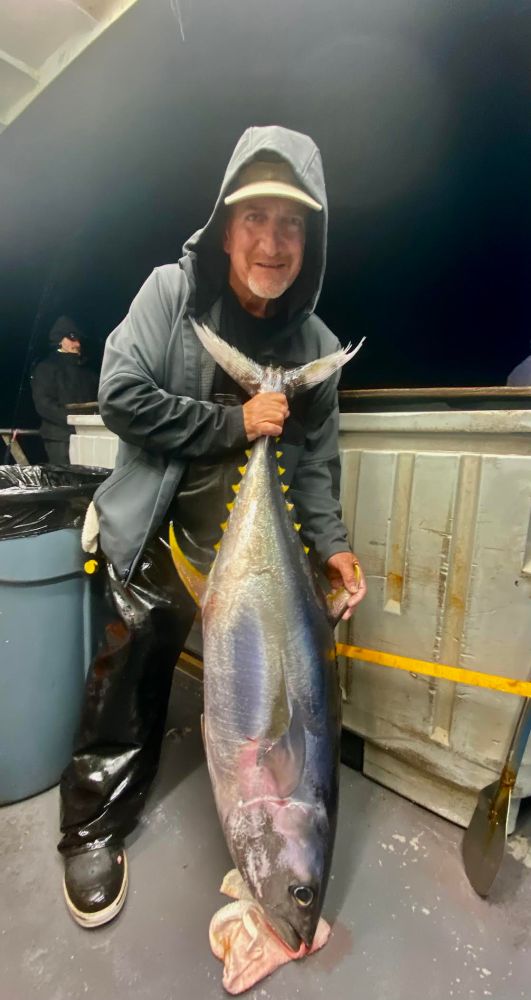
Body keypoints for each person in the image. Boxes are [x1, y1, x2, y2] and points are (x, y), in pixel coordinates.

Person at [58, 125, 368, 929]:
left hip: (258, 562)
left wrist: (332, 547)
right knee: (123, 683)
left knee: (273, 711)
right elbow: (120, 394)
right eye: (255, 219)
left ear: (311, 239)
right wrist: (236, 425)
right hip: (164, 536)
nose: (271, 241)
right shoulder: (171, 295)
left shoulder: (317, 347)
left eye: (291, 224)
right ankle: (91, 828)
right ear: (226, 225)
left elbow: (313, 468)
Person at [31, 316, 99, 464]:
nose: (78, 344)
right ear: (60, 340)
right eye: (72, 338)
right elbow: (44, 405)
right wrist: (74, 421)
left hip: (89, 436)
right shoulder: (46, 368)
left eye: (79, 339)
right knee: (66, 481)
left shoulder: (90, 373)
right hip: (59, 438)